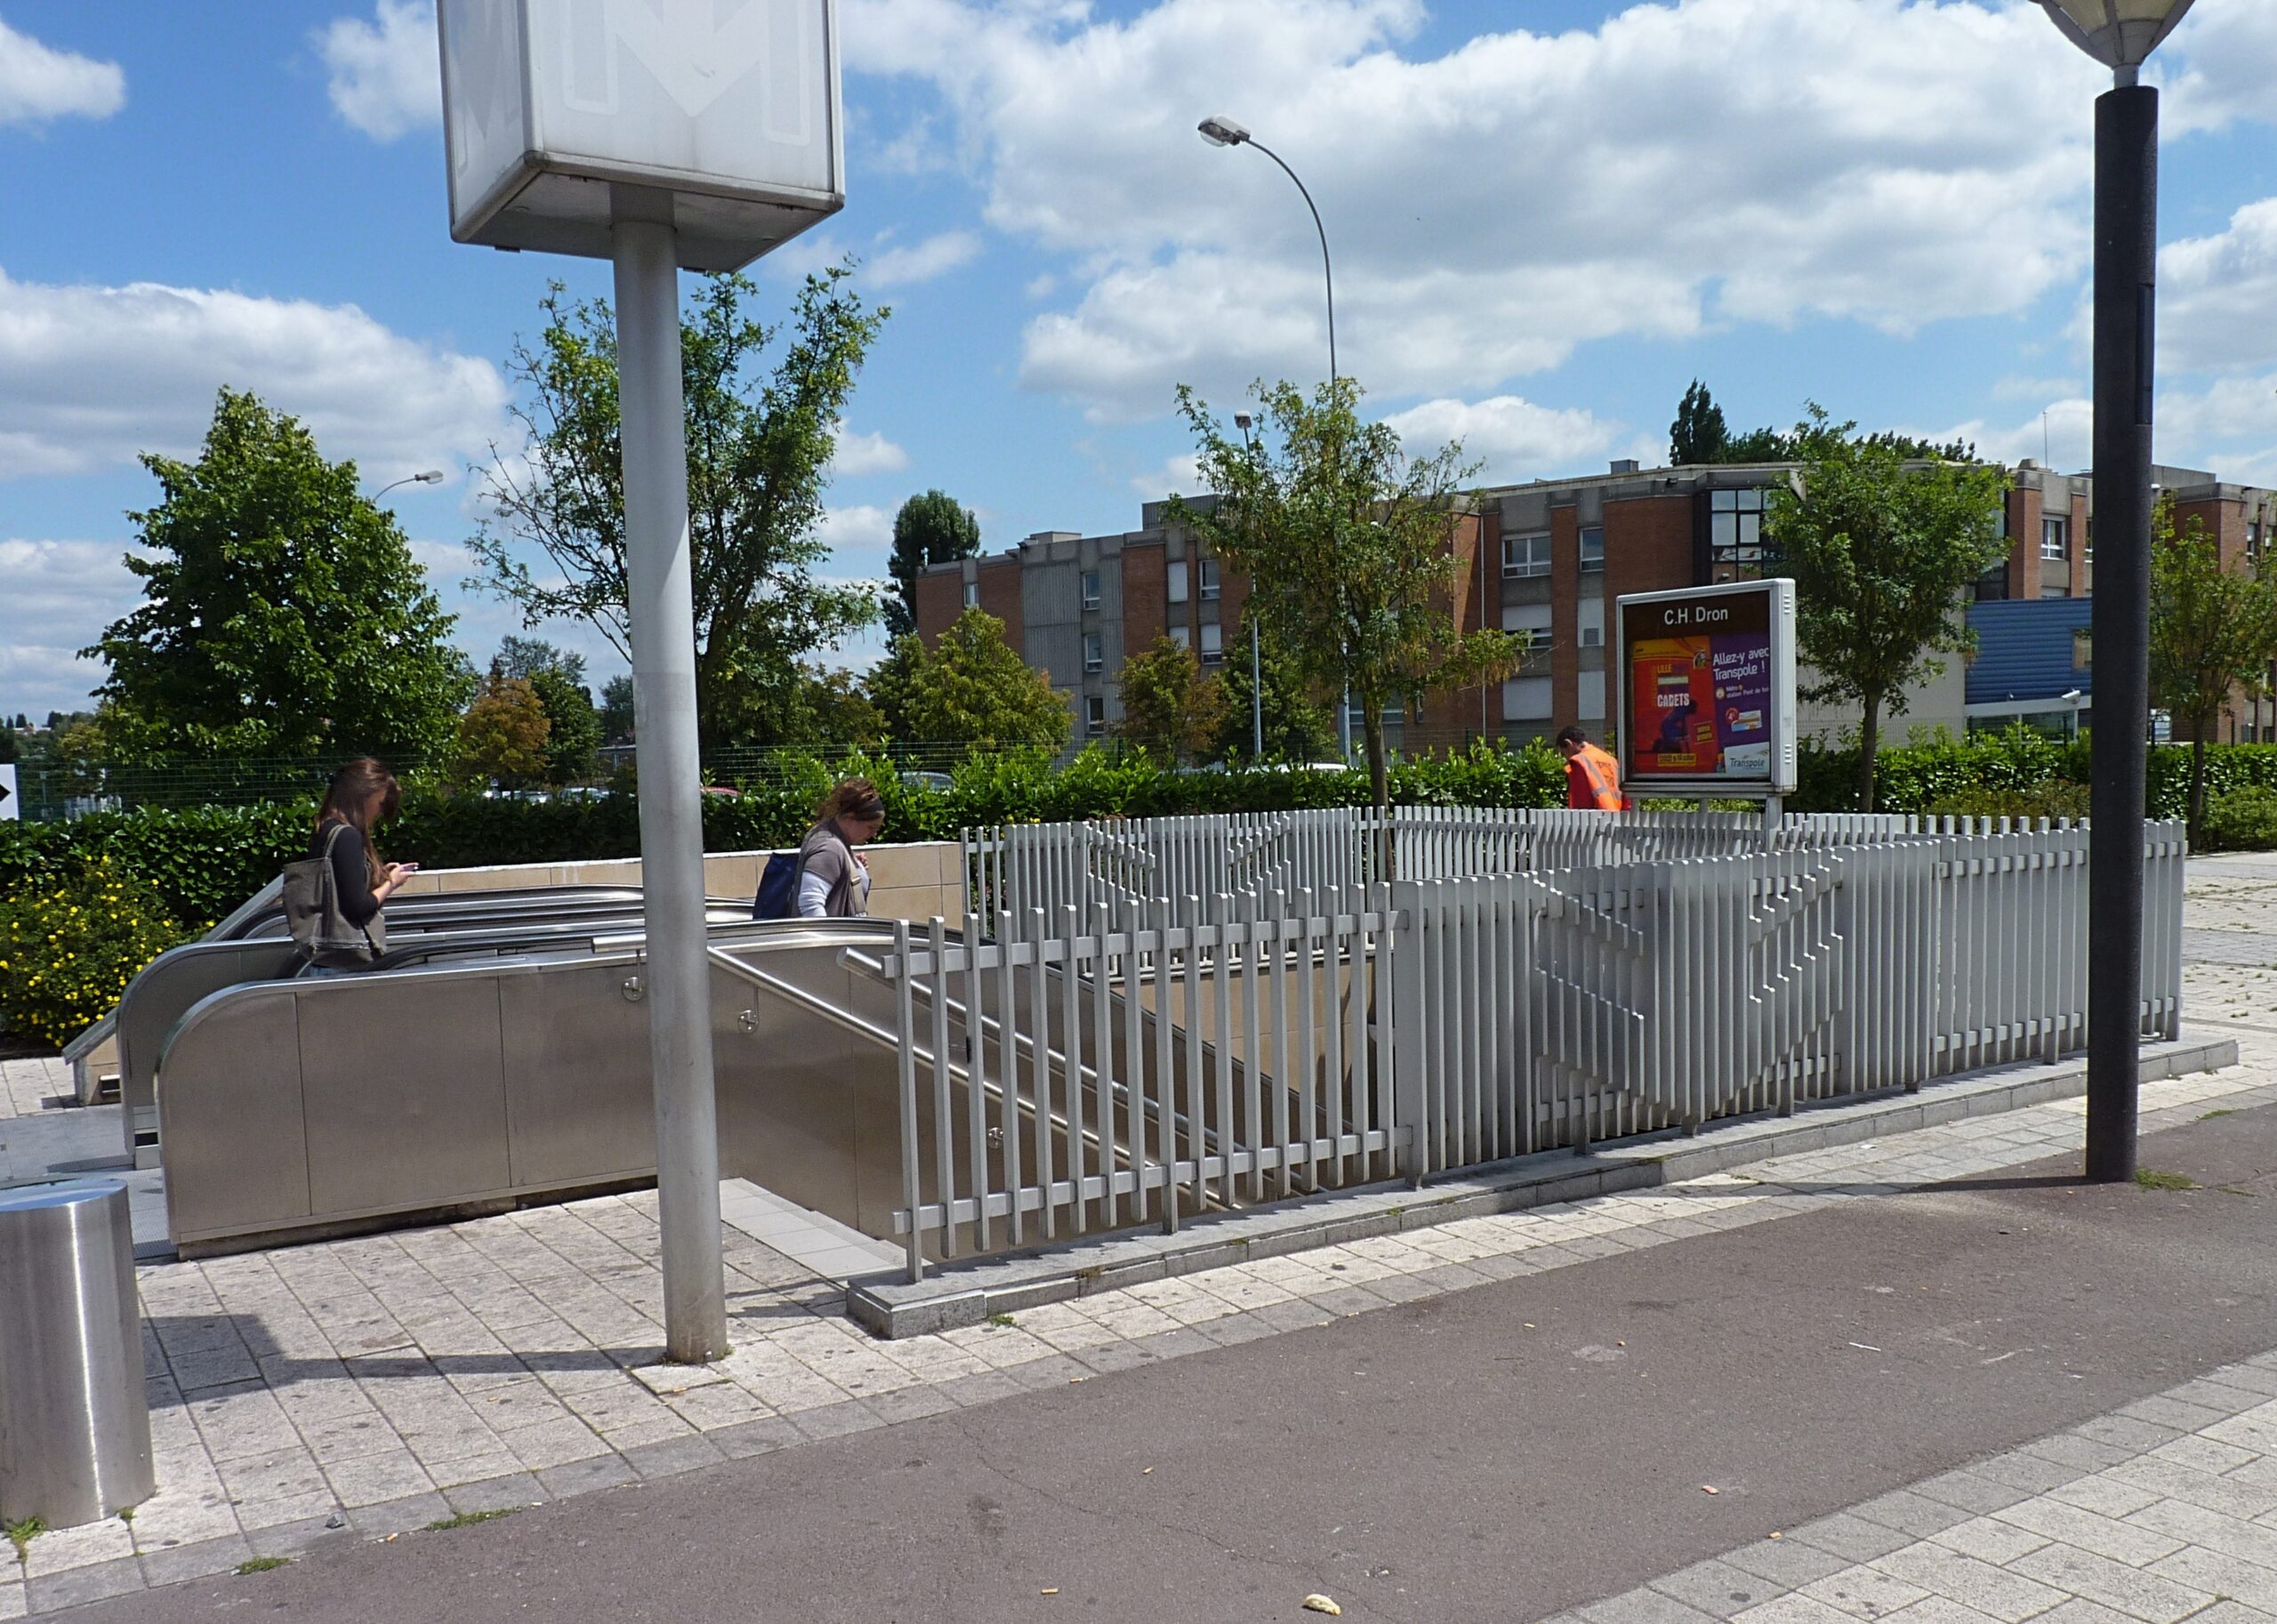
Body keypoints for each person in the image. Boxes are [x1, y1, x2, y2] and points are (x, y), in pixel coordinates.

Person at [306, 758, 416, 973]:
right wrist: (392, 883)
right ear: (364, 797)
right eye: (380, 803)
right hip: (346, 962)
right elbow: (357, 906)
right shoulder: (347, 836)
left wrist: (379, 874)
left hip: (325, 958)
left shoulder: (325, 829)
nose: (379, 812)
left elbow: (339, 885)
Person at [797, 778, 886, 919]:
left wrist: (852, 865)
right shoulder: (830, 848)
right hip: (833, 938)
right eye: (871, 827)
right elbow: (810, 902)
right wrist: (828, 940)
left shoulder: (832, 838)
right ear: (851, 817)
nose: (874, 834)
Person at [1557, 724, 1625, 812]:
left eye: (1564, 753)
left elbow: (1580, 804)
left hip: (1595, 819)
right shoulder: (1611, 760)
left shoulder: (1579, 761)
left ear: (1568, 744)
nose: (1566, 758)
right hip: (1618, 816)